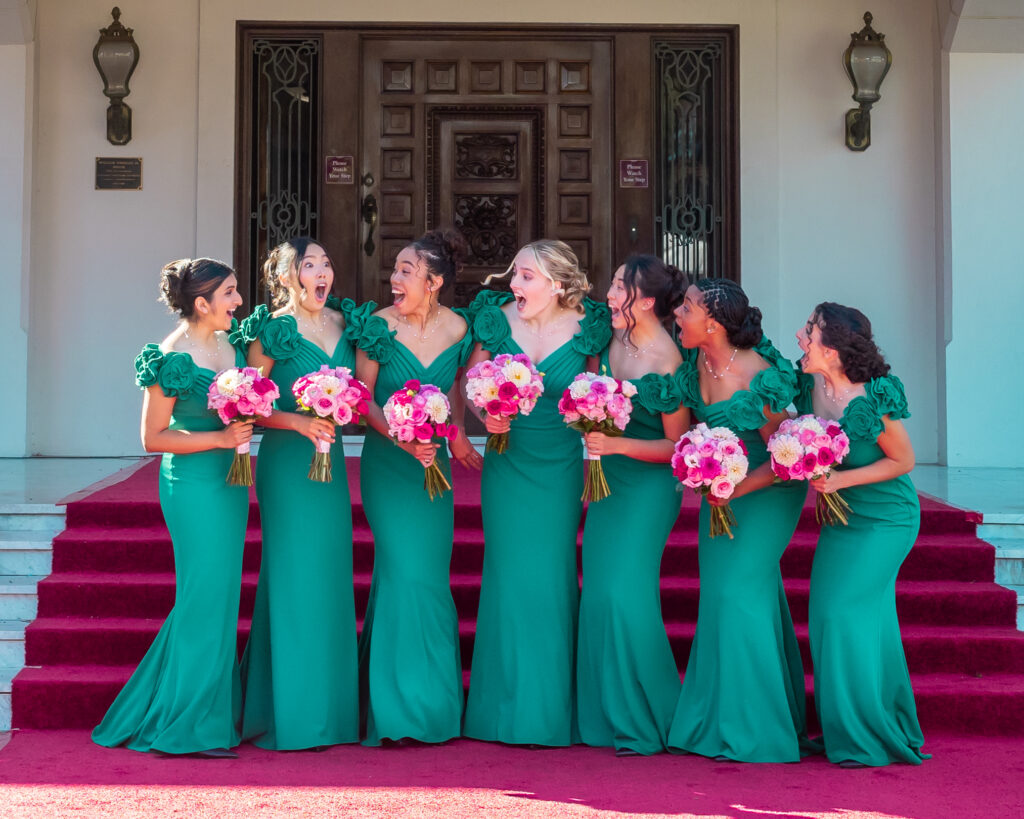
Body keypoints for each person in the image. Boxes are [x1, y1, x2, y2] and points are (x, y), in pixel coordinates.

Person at [93, 258, 251, 757]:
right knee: (204, 594)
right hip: (193, 487)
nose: (238, 301)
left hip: (232, 482)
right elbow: (152, 437)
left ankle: (207, 714)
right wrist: (220, 439)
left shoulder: (232, 344)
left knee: (221, 596)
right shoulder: (169, 357)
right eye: (228, 293)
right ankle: (187, 720)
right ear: (201, 304)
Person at [462, 239, 611, 747]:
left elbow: (598, 394)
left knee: (551, 576)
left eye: (526, 276)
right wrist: (486, 413)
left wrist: (595, 450)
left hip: (562, 465)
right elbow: (471, 383)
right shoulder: (495, 320)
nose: (514, 285)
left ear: (558, 285)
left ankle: (548, 708)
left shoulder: (590, 326)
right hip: (509, 460)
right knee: (508, 575)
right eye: (514, 274)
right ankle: (501, 710)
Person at [667, 278, 813, 763]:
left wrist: (733, 487)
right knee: (724, 596)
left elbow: (790, 456)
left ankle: (760, 732)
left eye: (686, 308)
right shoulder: (695, 364)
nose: (678, 313)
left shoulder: (760, 376)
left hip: (767, 490)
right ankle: (725, 717)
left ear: (712, 323)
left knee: (739, 595)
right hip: (722, 493)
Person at [235, 237, 368, 750]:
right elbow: (247, 403)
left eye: (326, 263)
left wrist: (343, 410)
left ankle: (332, 714)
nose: (321, 272)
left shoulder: (343, 325)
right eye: (308, 264)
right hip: (288, 466)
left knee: (329, 578)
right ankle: (292, 712)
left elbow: (359, 398)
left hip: (329, 467)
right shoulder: (269, 331)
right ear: (286, 276)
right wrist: (299, 420)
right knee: (293, 579)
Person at [355, 228, 481, 745]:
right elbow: (360, 398)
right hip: (390, 465)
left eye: (407, 270)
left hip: (435, 472)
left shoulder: (459, 328)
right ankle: (394, 709)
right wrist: (403, 441)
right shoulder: (376, 327)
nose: (395, 278)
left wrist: (458, 437)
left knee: (427, 578)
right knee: (405, 572)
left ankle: (433, 705)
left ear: (434, 282)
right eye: (396, 269)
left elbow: (452, 389)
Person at [795, 302, 929, 767]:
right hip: (841, 519)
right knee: (831, 617)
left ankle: (865, 735)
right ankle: (860, 724)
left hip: (886, 519)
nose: (801, 336)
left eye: (809, 331)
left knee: (843, 613)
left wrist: (838, 481)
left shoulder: (873, 397)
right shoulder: (810, 383)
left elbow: (903, 462)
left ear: (831, 349)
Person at [576, 255, 690, 756]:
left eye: (620, 285)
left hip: (646, 485)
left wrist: (617, 445)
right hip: (608, 480)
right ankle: (603, 714)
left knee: (627, 594)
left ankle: (653, 715)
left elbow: (679, 447)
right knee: (600, 591)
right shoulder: (610, 335)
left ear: (646, 300)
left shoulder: (667, 361)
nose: (609, 290)